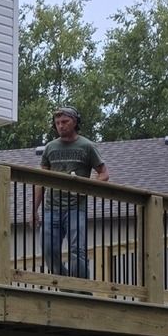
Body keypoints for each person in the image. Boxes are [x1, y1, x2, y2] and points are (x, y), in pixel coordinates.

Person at [33, 108, 109, 278]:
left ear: (75, 122)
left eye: (65, 122)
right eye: (57, 123)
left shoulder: (87, 146)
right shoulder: (50, 148)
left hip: (76, 207)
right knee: (48, 250)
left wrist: (87, 186)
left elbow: (104, 174)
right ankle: (67, 287)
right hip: (50, 207)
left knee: (77, 250)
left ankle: (82, 288)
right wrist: (33, 210)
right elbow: (40, 180)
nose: (61, 126)